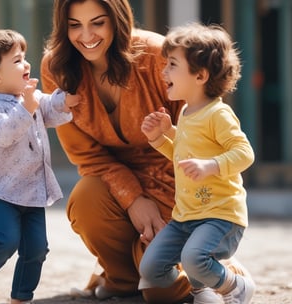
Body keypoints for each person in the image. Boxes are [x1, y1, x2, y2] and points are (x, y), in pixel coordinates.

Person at [41, 1, 253, 303]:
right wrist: (133, 199)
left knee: (160, 290)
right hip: (115, 183)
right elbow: (85, 154)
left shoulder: (158, 55)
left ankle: (220, 273)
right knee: (85, 198)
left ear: (117, 19)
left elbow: (198, 136)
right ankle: (121, 280)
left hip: (178, 182)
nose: (86, 35)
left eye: (97, 23)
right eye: (74, 24)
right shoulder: (56, 67)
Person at [0, 27, 80, 304]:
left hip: (32, 189)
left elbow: (51, 104)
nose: (27, 64)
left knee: (36, 249)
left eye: (24, 57)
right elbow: (5, 134)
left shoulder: (29, 97)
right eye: (17, 60)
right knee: (6, 240)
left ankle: (21, 298)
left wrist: (67, 100)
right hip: (0, 191)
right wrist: (28, 107)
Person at [139, 23, 255, 304]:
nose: (164, 71)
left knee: (193, 257)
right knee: (150, 269)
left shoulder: (219, 114)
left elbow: (245, 153)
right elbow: (184, 158)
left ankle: (236, 287)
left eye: (172, 65)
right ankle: (201, 285)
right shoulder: (188, 113)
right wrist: (161, 136)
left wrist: (211, 165)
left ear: (200, 75)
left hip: (220, 215)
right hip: (185, 217)